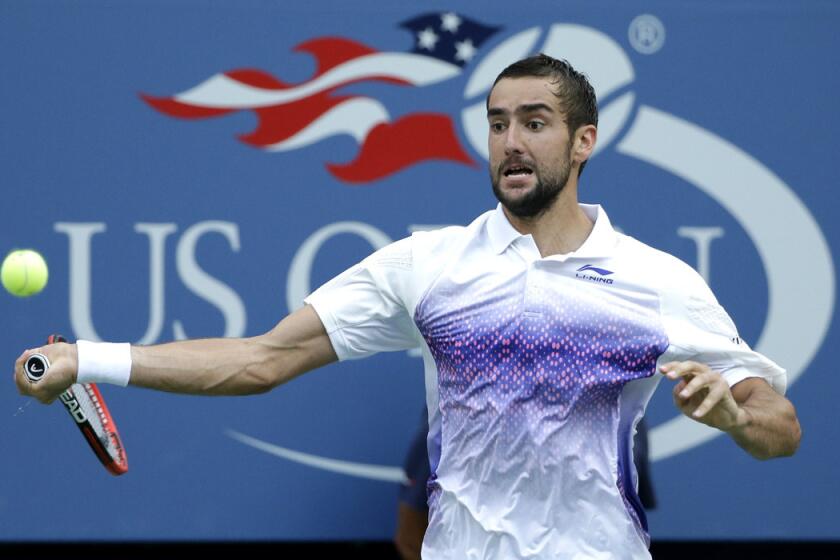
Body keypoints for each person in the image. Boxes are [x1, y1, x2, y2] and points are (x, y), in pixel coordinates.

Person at [14, 54, 801, 559]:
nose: (511, 144)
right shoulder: (429, 265)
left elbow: (780, 427)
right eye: (498, 125)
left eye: (535, 123)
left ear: (584, 141)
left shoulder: (653, 279)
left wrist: (734, 417)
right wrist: (90, 360)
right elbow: (262, 360)